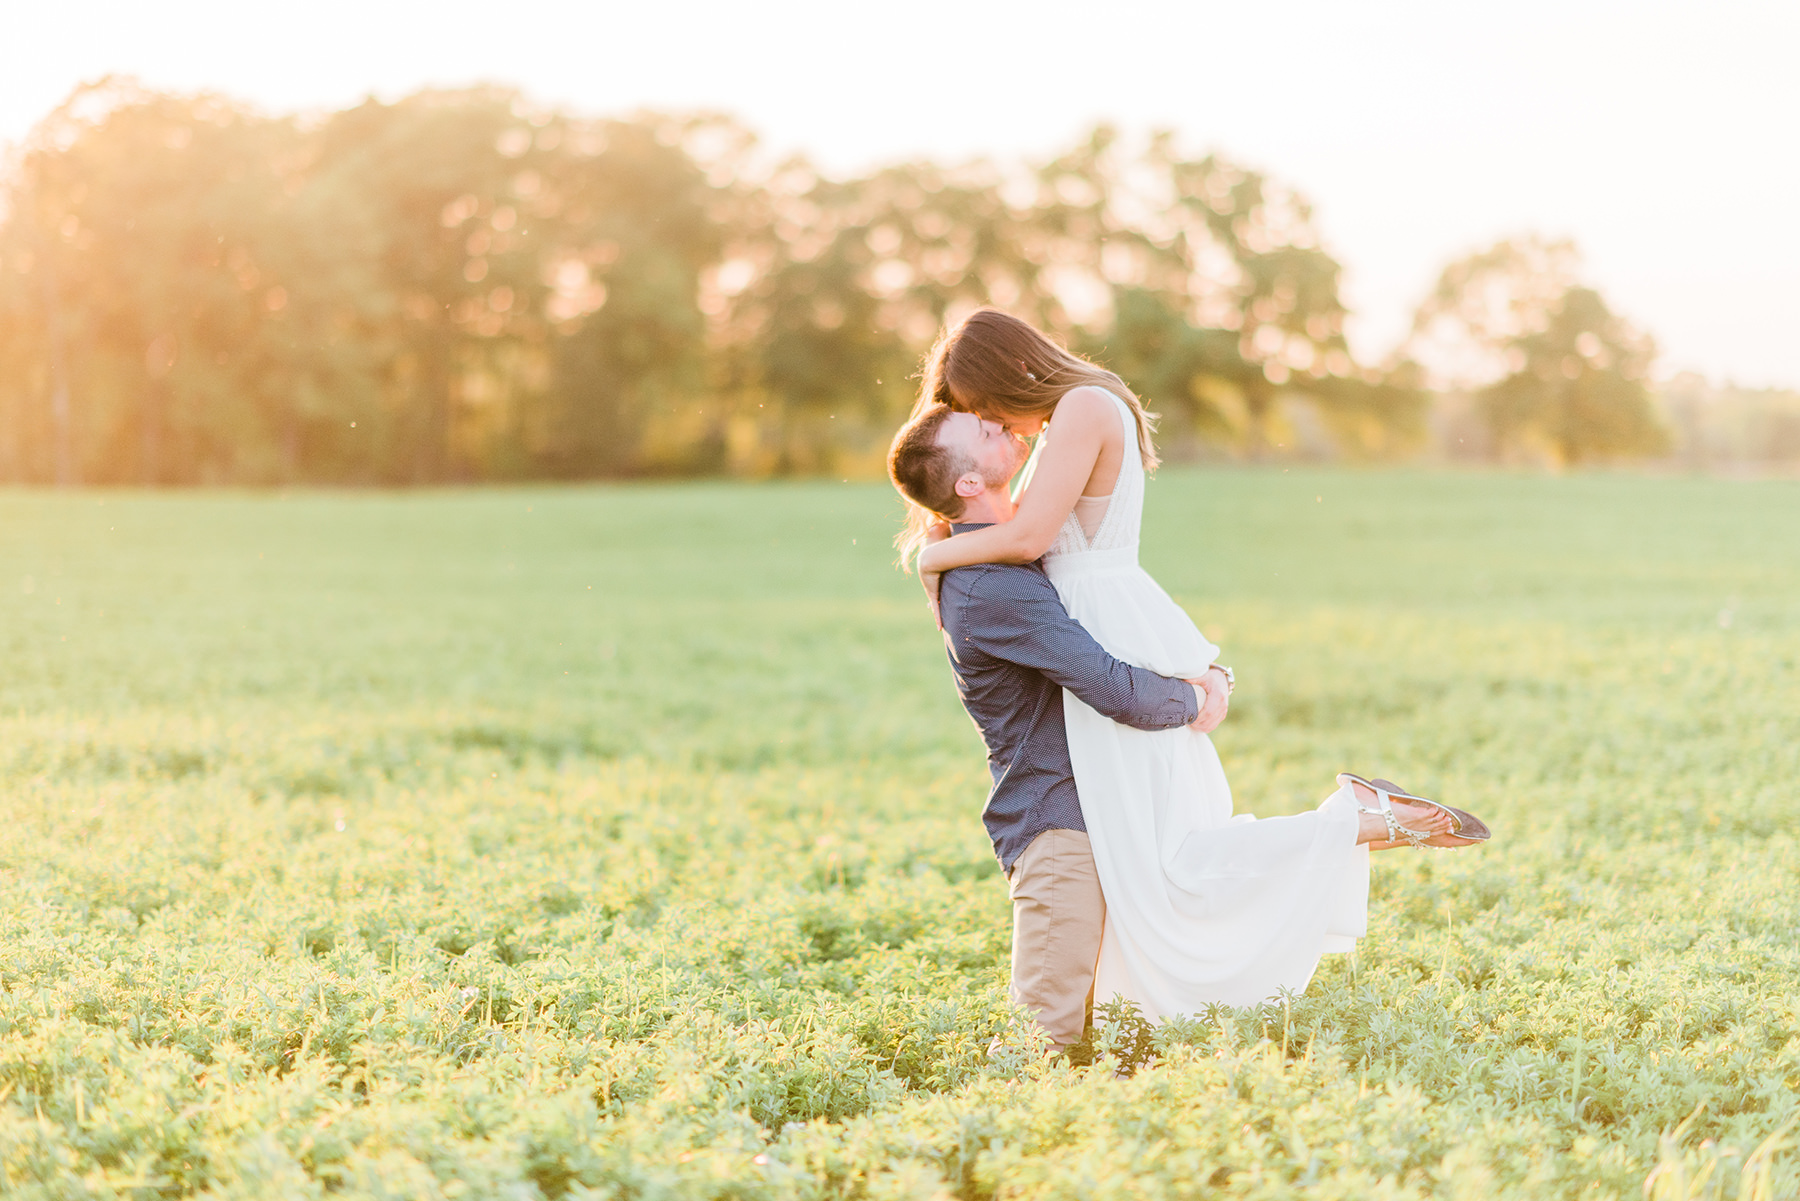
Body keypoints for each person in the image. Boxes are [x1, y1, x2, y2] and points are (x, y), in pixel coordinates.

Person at [897, 309, 1488, 1024]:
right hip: (1109, 624)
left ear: (1013, 372)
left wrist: (932, 556)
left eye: (989, 409)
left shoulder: (1082, 407)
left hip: (1104, 630)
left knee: (1164, 866)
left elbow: (1024, 537)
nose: (1001, 426)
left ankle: (1348, 822)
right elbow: (1006, 526)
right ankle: (1352, 820)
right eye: (982, 422)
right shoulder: (1075, 415)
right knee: (1166, 859)